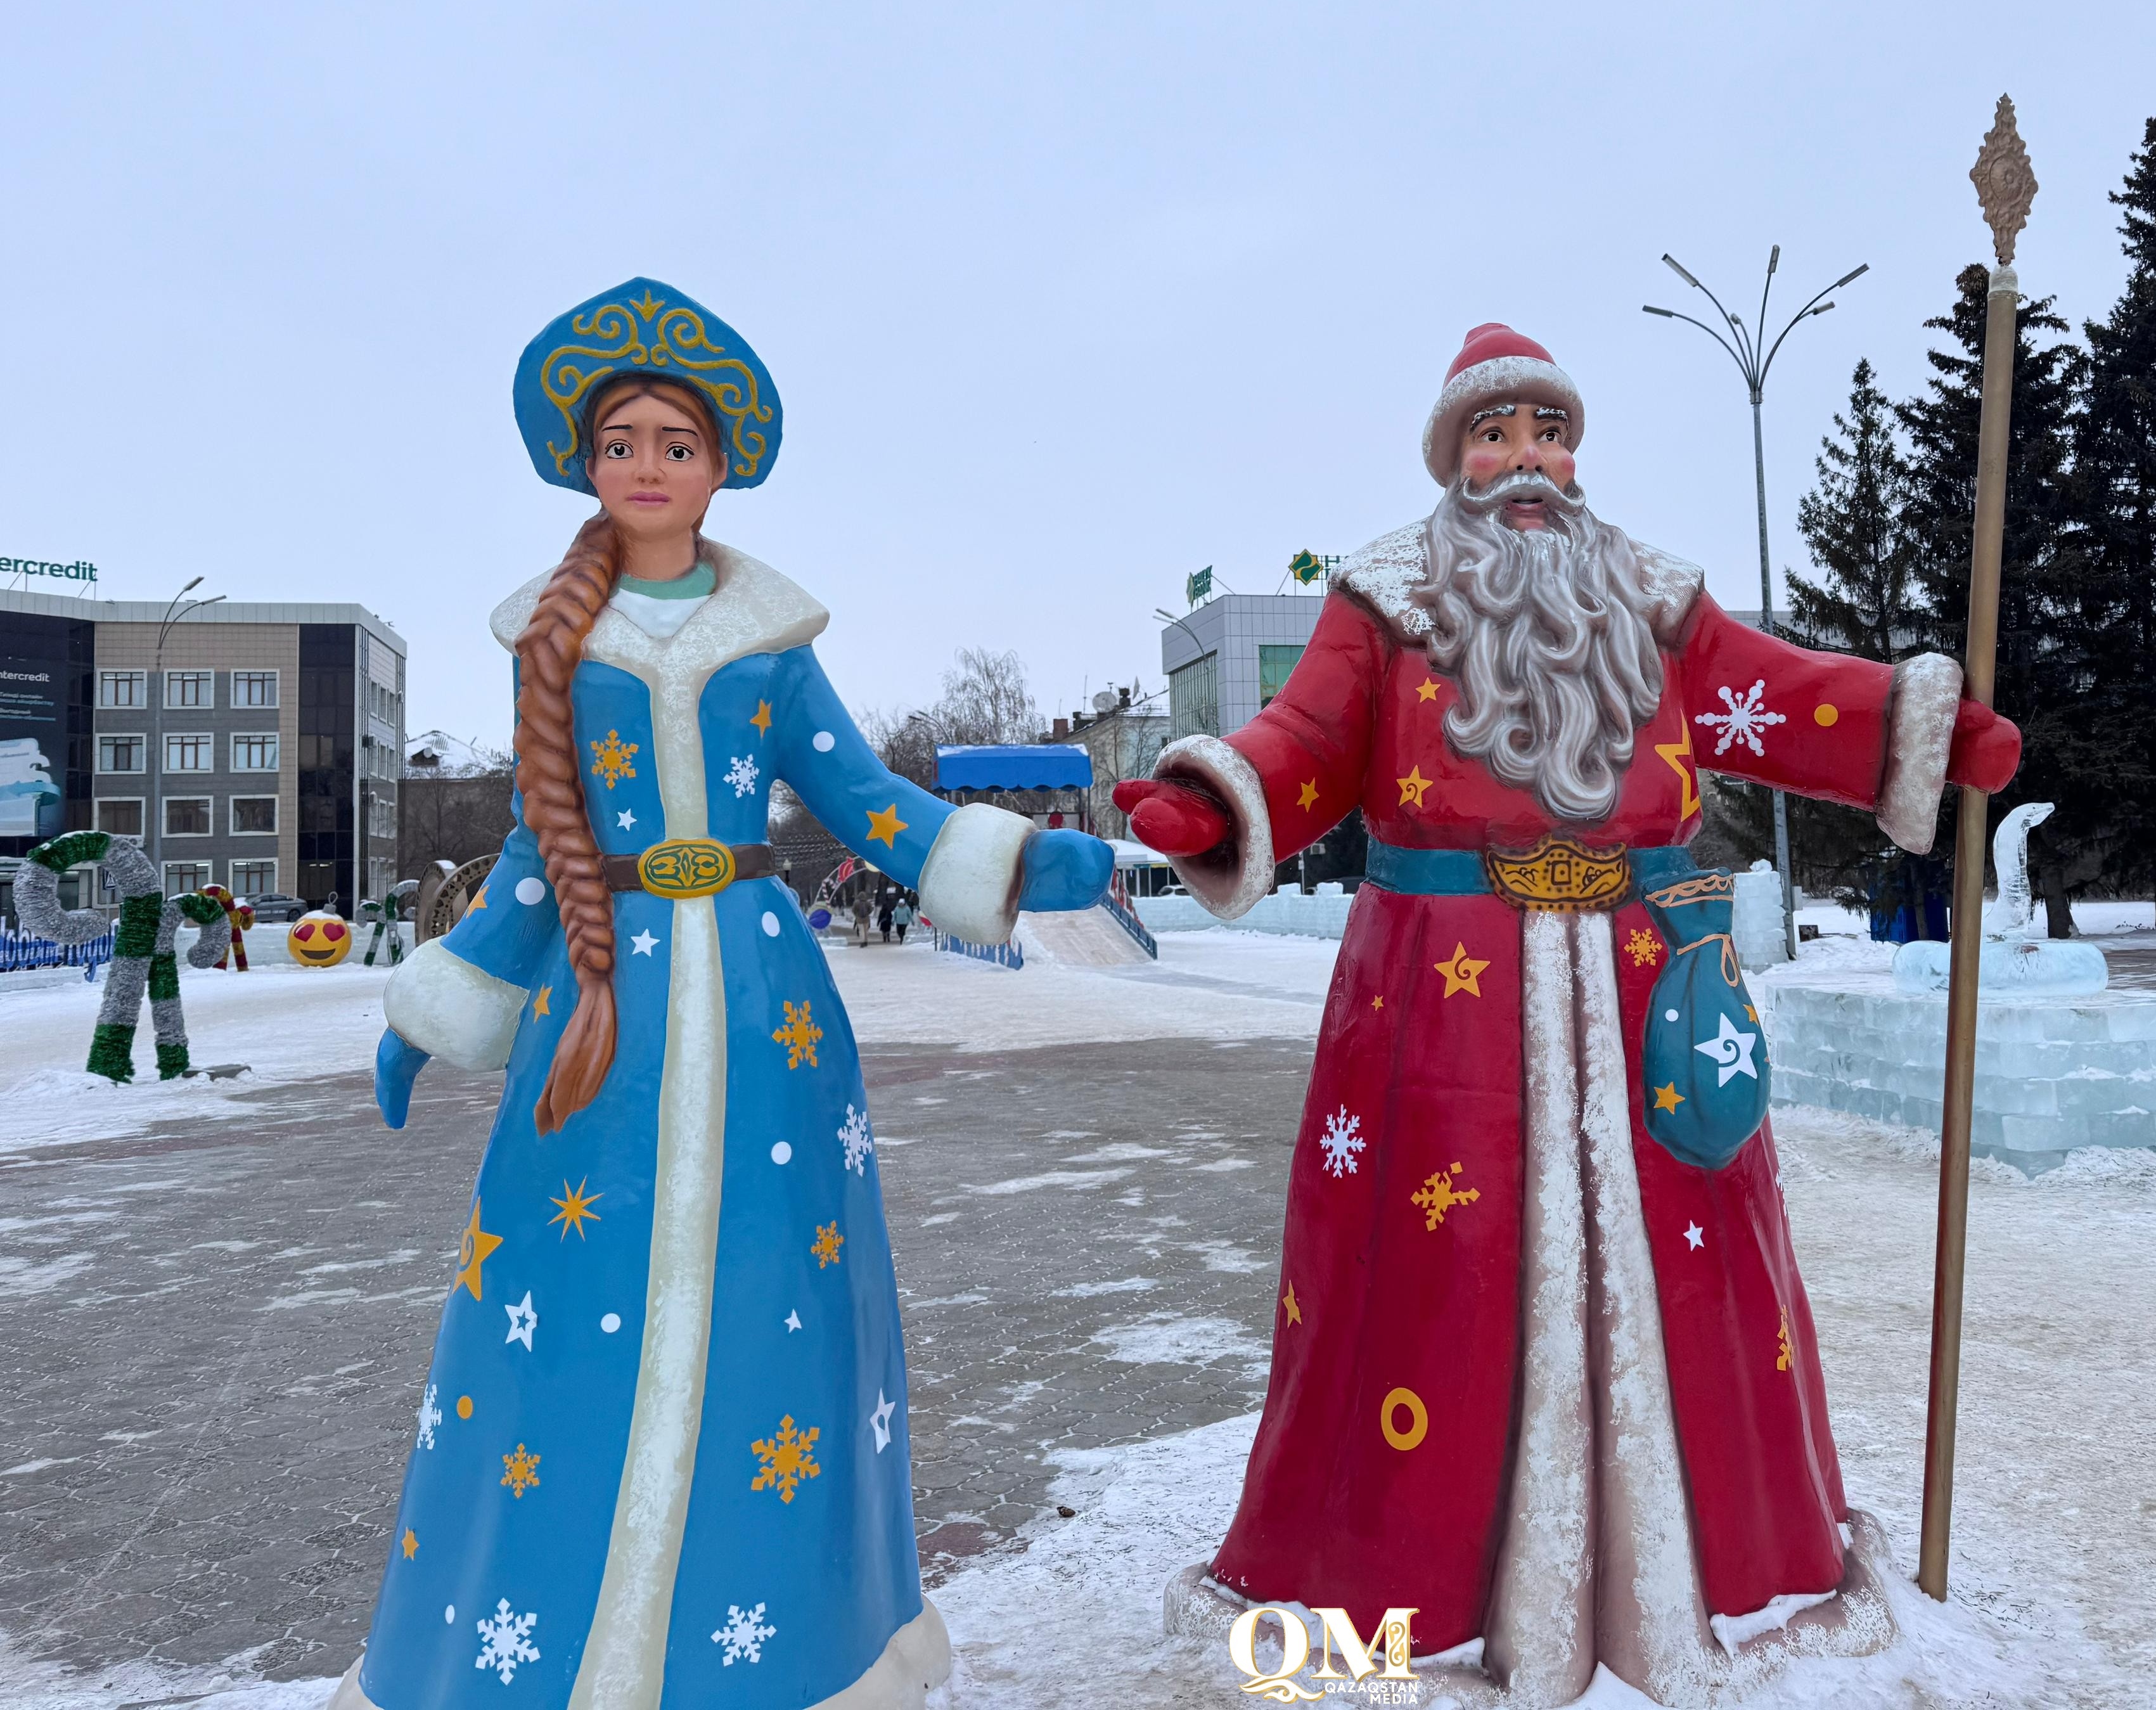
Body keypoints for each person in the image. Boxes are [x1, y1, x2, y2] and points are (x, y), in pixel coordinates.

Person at [1115, 323, 2020, 1706]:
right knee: (1436, 1274)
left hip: (1650, 972)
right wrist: (1218, 793)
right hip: (1435, 991)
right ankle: (1408, 1579)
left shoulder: (1649, 600)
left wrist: (1910, 727)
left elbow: (1772, 699)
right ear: (1453, 458)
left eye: (1547, 431)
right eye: (1496, 435)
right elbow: (1303, 738)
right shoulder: (1386, 598)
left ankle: (1711, 1566)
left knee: (1699, 1264)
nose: (1526, 459)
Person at [342, 279, 1113, 1710]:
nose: (647, 463)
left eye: (675, 441)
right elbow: (532, 849)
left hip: (769, 1017)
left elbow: (863, 796)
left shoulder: (770, 637)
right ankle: (532, 1647)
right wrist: (431, 1005)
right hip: (597, 1016)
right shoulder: (551, 644)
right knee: (560, 1308)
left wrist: (1011, 861)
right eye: (622, 439)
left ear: (719, 465)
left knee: (777, 1298)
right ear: (587, 462)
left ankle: (785, 1639)